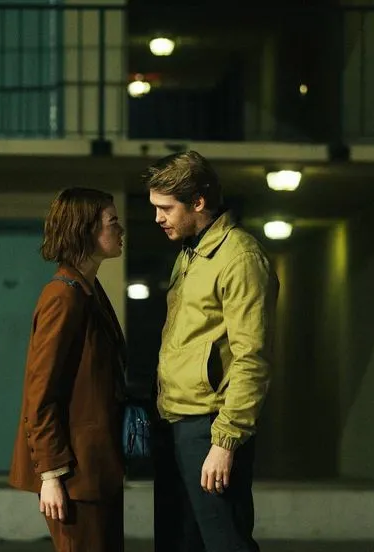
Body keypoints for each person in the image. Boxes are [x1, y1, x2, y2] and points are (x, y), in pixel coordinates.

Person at [145, 151, 279, 552]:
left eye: (166, 208)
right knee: (180, 542)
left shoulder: (240, 257)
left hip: (209, 427)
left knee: (225, 542)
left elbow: (252, 358)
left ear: (198, 202)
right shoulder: (192, 252)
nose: (158, 218)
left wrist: (225, 441)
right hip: (177, 419)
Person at [9, 187, 127, 552]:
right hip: (75, 474)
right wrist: (51, 474)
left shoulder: (88, 290)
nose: (121, 229)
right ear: (86, 230)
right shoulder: (63, 297)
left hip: (96, 469)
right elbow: (40, 394)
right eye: (112, 222)